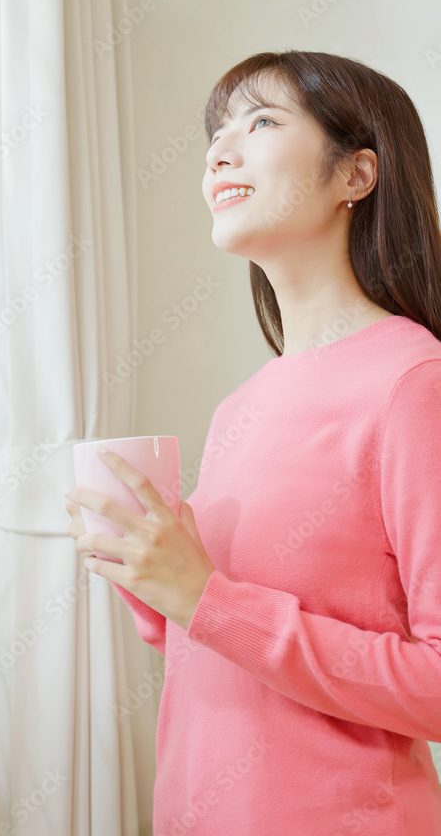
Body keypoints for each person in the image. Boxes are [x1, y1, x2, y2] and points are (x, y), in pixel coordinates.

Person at [65, 50, 441, 835]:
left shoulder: (414, 383)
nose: (218, 152)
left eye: (261, 122)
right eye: (215, 134)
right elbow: (221, 650)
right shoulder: (239, 406)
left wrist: (204, 597)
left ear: (355, 175)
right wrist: (151, 576)